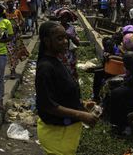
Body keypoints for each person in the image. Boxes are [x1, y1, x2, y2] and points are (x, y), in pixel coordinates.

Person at [36, 21, 98, 155]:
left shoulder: (57, 61)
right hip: (57, 134)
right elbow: (48, 105)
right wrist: (80, 114)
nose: (65, 41)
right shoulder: (45, 68)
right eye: (60, 39)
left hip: (65, 133)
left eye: (66, 37)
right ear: (47, 41)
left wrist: (81, 104)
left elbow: (60, 93)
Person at [5, 0, 28, 79]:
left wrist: (19, 25)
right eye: (9, 2)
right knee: (11, 53)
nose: (10, 4)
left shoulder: (17, 11)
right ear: (6, 4)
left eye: (12, 2)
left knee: (17, 52)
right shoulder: (4, 13)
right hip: (8, 37)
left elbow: (22, 21)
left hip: (17, 36)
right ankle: (12, 70)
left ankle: (14, 67)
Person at [56, 9, 80, 81]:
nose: (64, 18)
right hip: (58, 54)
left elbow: (77, 43)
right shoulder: (56, 28)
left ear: (68, 18)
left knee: (70, 74)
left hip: (69, 54)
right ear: (60, 18)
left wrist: (70, 36)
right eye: (63, 17)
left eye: (66, 17)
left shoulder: (71, 28)